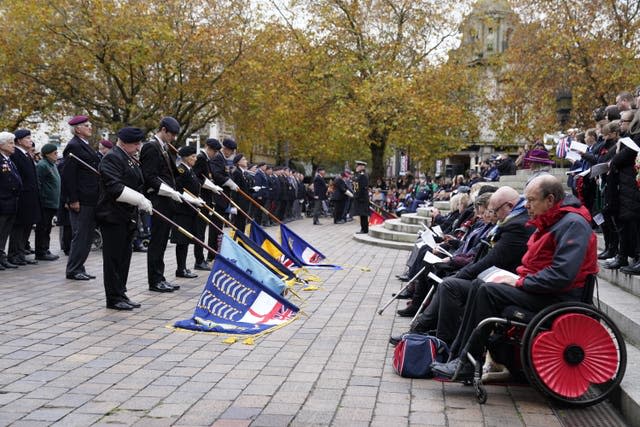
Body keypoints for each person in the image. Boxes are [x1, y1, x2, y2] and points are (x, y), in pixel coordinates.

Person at [431, 175, 598, 381]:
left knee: (487, 291)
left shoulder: (573, 224)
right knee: (479, 284)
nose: (526, 205)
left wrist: (519, 282)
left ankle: (466, 362)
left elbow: (562, 275)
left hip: (559, 298)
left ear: (550, 200)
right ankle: (457, 356)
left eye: (531, 200)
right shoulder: (553, 221)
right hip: (543, 290)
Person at [96, 127, 152, 310]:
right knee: (113, 259)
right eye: (135, 144)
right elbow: (115, 188)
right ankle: (113, 297)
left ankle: (121, 292)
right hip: (112, 215)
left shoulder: (128, 158)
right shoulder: (112, 157)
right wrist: (140, 200)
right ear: (124, 142)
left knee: (124, 257)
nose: (138, 147)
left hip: (127, 215)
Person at [140, 116, 183, 293]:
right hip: (158, 199)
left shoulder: (163, 147)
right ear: (163, 130)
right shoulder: (151, 147)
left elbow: (172, 173)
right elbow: (149, 176)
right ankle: (155, 280)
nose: (172, 138)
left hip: (167, 200)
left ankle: (160, 276)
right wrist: (168, 190)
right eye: (171, 134)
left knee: (162, 242)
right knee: (157, 242)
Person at [61, 116, 100, 280]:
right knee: (81, 235)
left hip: (90, 197)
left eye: (90, 124)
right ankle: (73, 269)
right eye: (86, 125)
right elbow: (69, 176)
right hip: (81, 199)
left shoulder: (84, 145)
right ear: (77, 129)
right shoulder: (73, 146)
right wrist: (72, 199)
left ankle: (79, 267)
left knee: (87, 235)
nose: (90, 127)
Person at [8, 129, 40, 266]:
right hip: (22, 197)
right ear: (19, 141)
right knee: (18, 227)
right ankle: (14, 254)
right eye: (27, 138)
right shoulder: (16, 155)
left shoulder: (27, 155)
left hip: (31, 196)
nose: (30, 140)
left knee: (27, 225)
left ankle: (21, 253)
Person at [172, 145, 201, 279]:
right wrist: (192, 200)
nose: (195, 159)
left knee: (186, 240)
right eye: (192, 157)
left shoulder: (190, 170)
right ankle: (180, 268)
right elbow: (179, 190)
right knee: (181, 240)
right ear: (185, 157)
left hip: (190, 209)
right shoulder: (181, 170)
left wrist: (197, 199)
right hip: (182, 210)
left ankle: (183, 267)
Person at [192, 137, 221, 269]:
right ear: (208, 149)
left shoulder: (206, 160)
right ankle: (199, 260)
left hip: (206, 200)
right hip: (201, 199)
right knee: (200, 231)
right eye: (214, 152)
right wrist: (209, 186)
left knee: (202, 230)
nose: (215, 155)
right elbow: (196, 178)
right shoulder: (201, 159)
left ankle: (200, 259)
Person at [211, 138, 239, 250]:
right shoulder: (218, 158)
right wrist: (228, 182)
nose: (232, 154)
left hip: (223, 198)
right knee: (215, 227)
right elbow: (216, 175)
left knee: (219, 227)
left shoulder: (223, 159)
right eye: (231, 151)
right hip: (218, 197)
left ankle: (216, 250)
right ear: (226, 149)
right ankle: (212, 253)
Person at [34, 143, 61, 261]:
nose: (57, 155)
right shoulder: (42, 165)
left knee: (48, 227)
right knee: (43, 227)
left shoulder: (52, 165)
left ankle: (46, 248)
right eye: (54, 153)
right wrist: (43, 198)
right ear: (47, 154)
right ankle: (40, 251)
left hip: (53, 203)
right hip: (45, 202)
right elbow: (38, 183)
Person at [0, 132, 21, 270]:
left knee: (4, 233)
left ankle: (2, 257)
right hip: (2, 202)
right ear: (1, 145)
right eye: (11, 143)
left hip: (11, 202)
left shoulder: (8, 160)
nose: (14, 146)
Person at [230, 153, 250, 232]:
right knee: (238, 224)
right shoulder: (237, 173)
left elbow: (244, 188)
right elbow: (235, 189)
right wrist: (234, 205)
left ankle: (240, 241)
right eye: (244, 160)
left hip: (244, 202)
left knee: (242, 223)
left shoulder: (242, 172)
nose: (246, 161)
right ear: (238, 162)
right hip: (239, 203)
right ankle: (237, 241)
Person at [352, 160, 369, 234]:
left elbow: (362, 188)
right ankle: (363, 228)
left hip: (362, 198)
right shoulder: (359, 175)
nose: (356, 167)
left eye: (358, 166)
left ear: (362, 167)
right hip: (360, 197)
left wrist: (357, 196)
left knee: (363, 214)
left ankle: (364, 229)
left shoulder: (362, 176)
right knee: (361, 214)